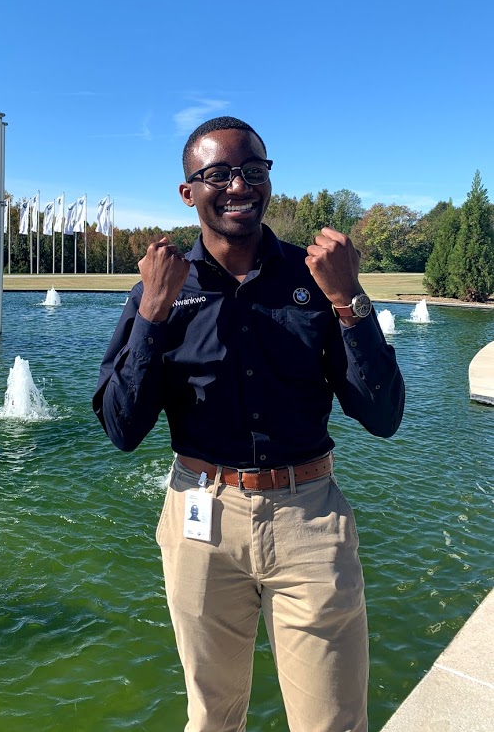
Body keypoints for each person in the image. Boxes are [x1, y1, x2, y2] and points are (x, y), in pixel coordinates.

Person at [93, 116, 404, 732]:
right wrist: (152, 318)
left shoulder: (312, 280)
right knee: (212, 718)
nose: (239, 185)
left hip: (309, 518)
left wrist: (350, 298)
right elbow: (122, 428)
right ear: (189, 191)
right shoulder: (160, 287)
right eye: (218, 174)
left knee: (334, 722)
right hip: (200, 518)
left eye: (253, 170)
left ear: (268, 180)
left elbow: (383, 414)